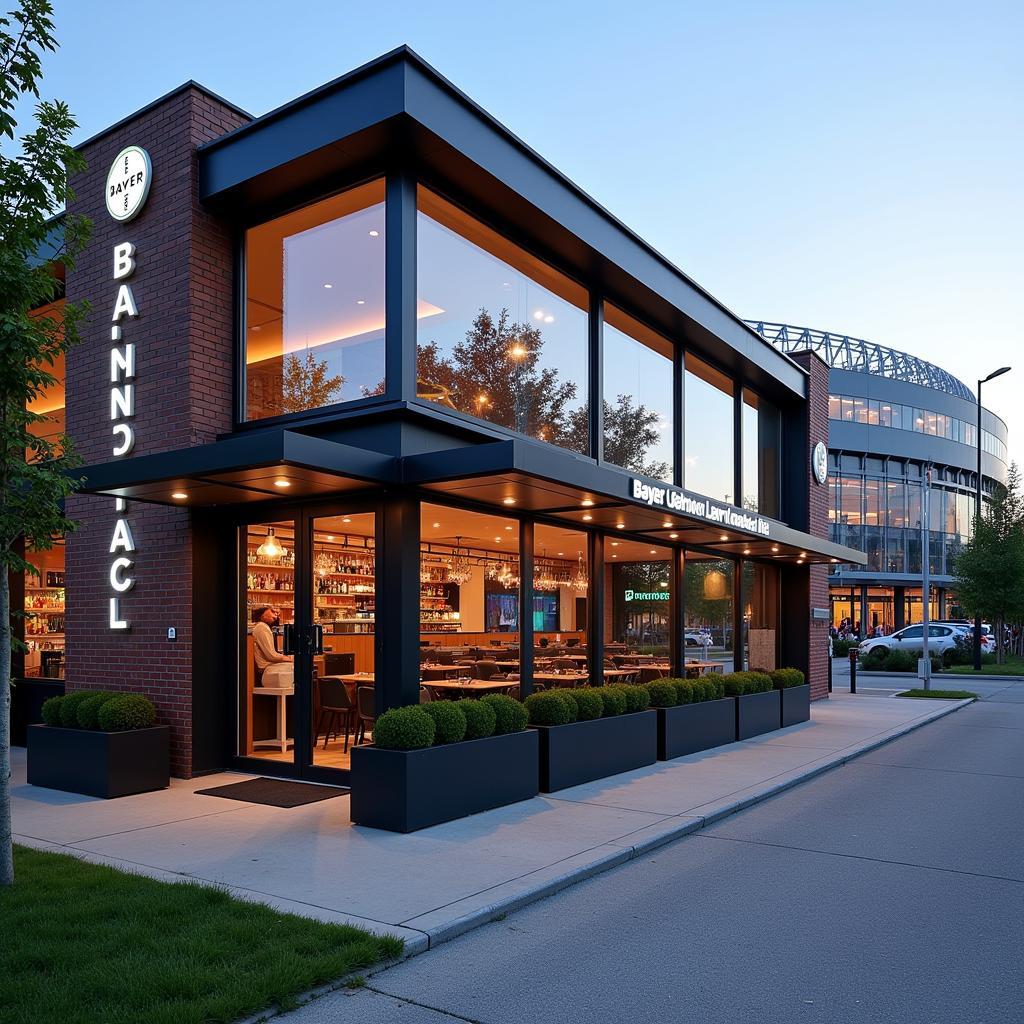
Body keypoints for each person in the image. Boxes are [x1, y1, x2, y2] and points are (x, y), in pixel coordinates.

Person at [252, 605, 291, 685]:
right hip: (265, 668)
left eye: (277, 613)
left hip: (267, 667)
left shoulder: (262, 627)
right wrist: (289, 659)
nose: (276, 614)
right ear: (262, 615)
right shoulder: (262, 627)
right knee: (300, 667)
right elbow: (271, 655)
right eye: (272, 612)